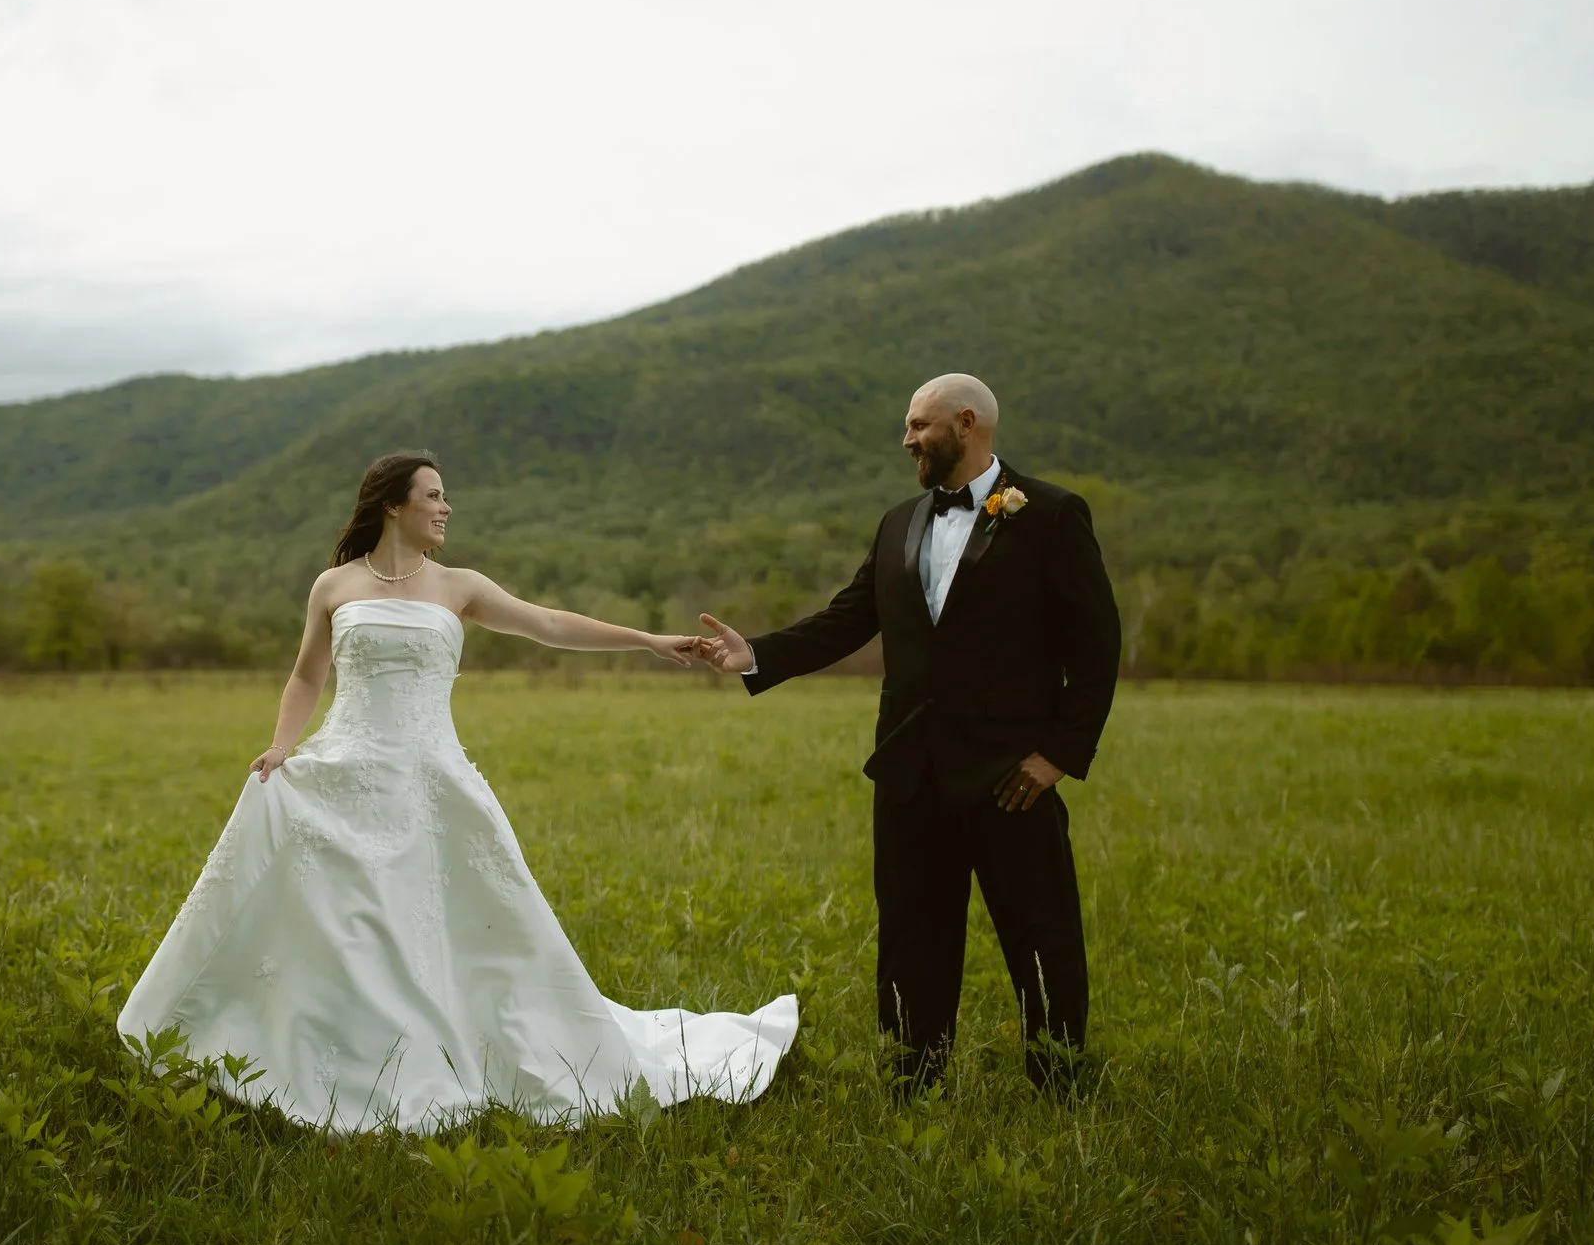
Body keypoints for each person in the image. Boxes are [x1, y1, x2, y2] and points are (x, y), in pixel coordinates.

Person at [118, 449, 799, 1132]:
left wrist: (646, 640)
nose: (446, 508)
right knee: (349, 919)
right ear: (394, 504)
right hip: (346, 770)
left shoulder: (459, 586)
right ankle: (340, 1052)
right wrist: (281, 744)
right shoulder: (334, 585)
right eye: (434, 495)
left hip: (432, 783)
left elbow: (548, 622)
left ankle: (443, 1049)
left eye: (446, 497)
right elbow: (306, 676)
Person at [694, 374, 1118, 1095]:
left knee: (1041, 937)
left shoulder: (1050, 514)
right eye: (907, 425)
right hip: (909, 773)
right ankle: (912, 1087)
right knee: (911, 939)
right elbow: (847, 619)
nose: (907, 439)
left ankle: (1061, 1085)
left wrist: (1057, 755)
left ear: (966, 423)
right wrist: (756, 654)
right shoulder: (899, 522)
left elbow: (1098, 645)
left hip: (1011, 776)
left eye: (920, 425)